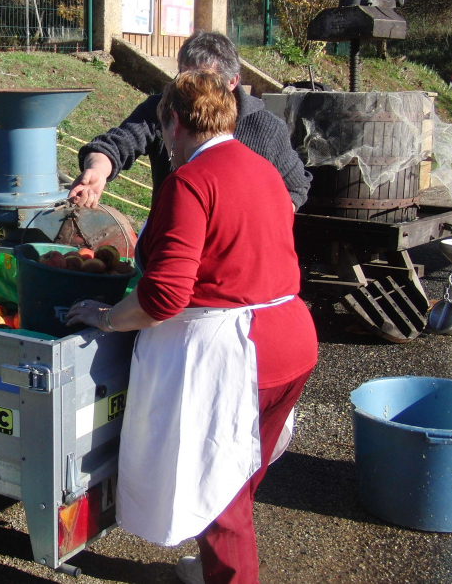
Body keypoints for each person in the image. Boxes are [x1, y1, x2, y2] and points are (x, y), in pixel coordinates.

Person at [66, 71, 318, 584]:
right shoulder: (264, 170)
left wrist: (108, 318)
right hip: (293, 338)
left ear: (174, 122)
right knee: (239, 477)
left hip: (239, 353)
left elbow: (165, 296)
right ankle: (211, 568)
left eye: (164, 131)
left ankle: (228, 575)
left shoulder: (190, 181)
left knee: (221, 496)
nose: (166, 145)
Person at [68, 31, 311, 211]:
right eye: (184, 78)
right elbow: (117, 144)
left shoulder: (265, 127)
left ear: (232, 82)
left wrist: (263, 223)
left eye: (203, 82)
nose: (188, 93)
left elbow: (296, 187)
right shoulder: (162, 107)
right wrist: (97, 171)